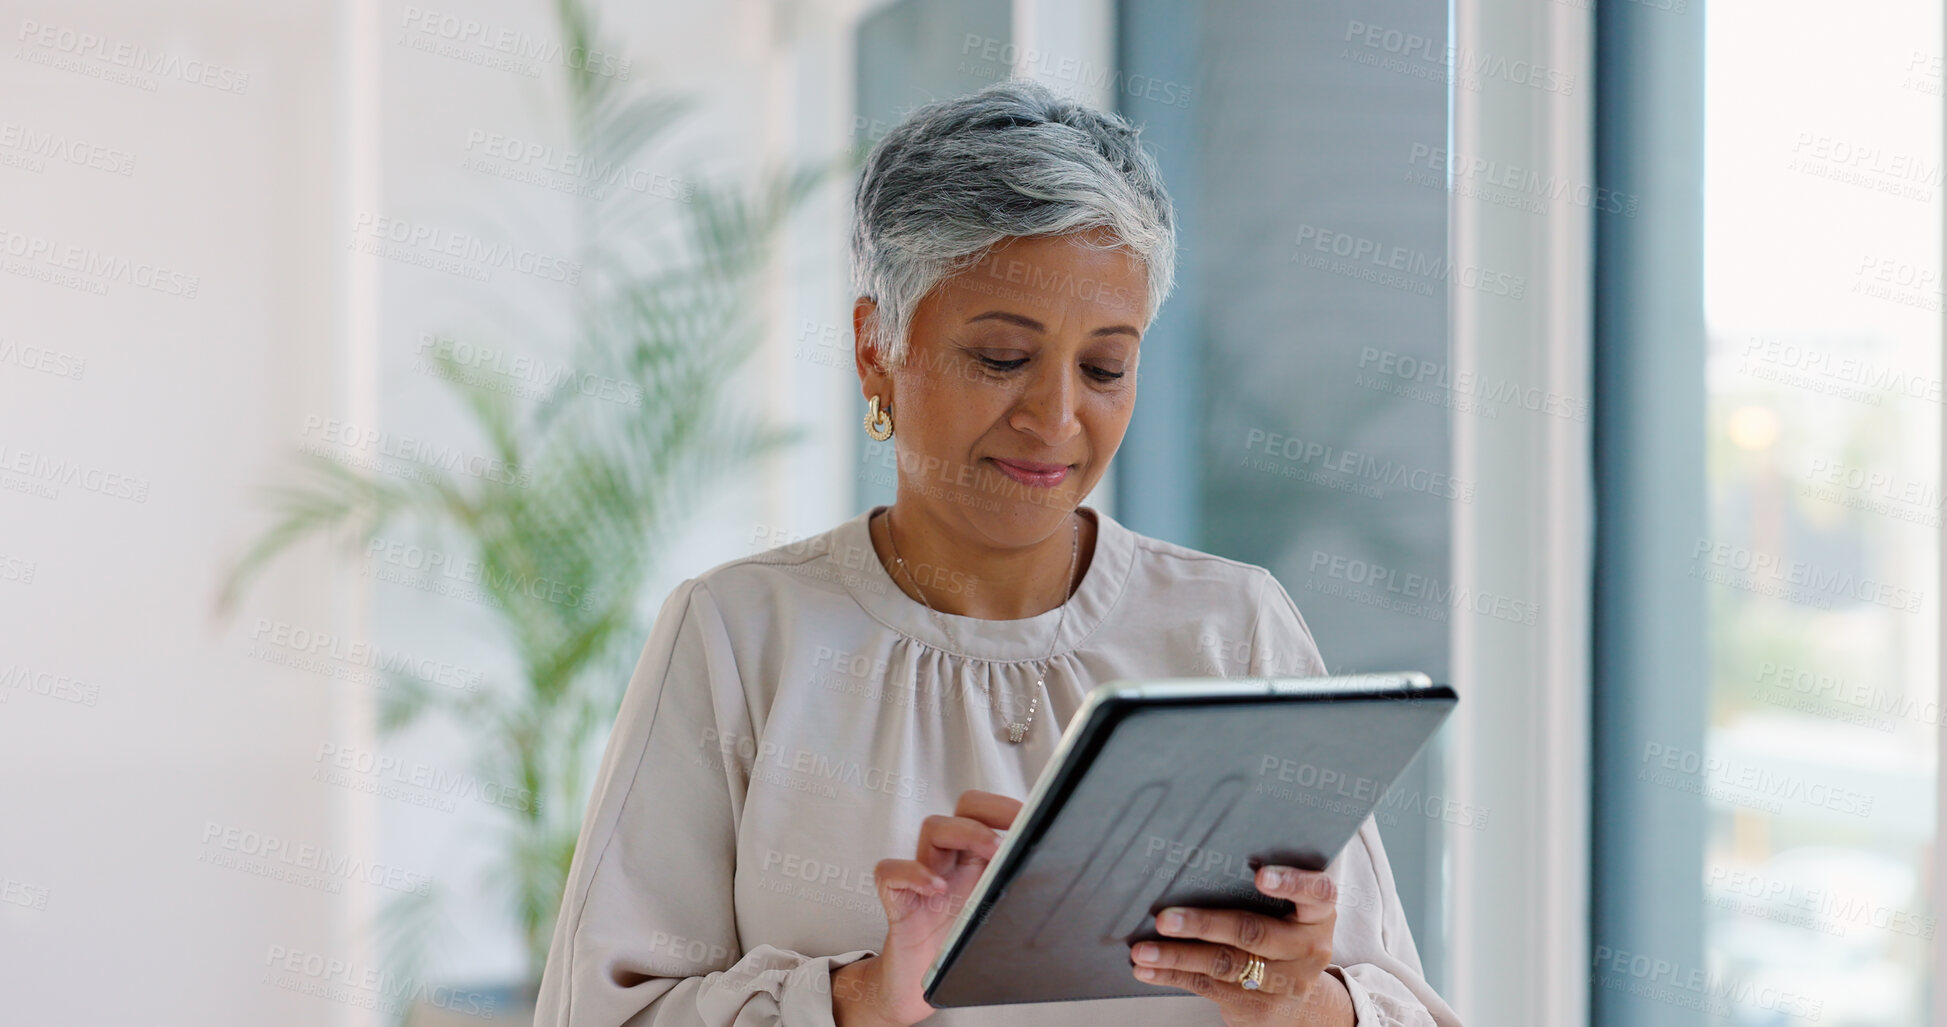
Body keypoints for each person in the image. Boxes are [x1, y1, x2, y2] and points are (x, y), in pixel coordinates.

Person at [533, 78, 1461, 1027]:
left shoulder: (1232, 628)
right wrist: (868, 994)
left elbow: (1404, 1007)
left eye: (1105, 366)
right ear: (875, 348)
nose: (1056, 418)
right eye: (1003, 358)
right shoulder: (742, 636)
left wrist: (1297, 1002)